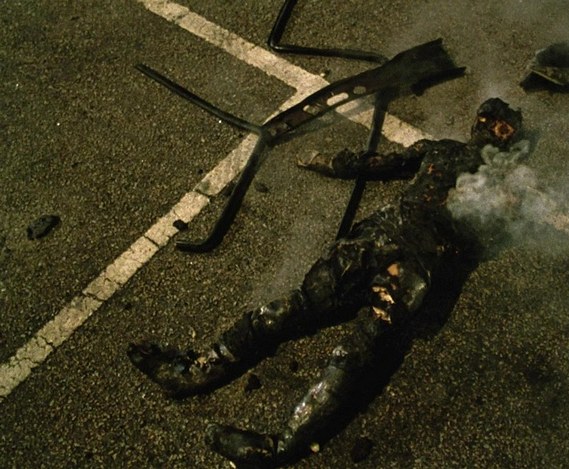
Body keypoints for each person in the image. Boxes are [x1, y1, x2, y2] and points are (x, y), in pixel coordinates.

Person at [128, 97, 524, 466]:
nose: (495, 133)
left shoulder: (492, 183)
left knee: (351, 351)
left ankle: (273, 444)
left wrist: (324, 161)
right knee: (297, 313)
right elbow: (377, 163)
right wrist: (322, 161)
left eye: (503, 129)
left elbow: (471, 238)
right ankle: (196, 375)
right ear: (484, 125)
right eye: (497, 125)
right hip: (383, 248)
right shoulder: (446, 153)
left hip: (404, 263)